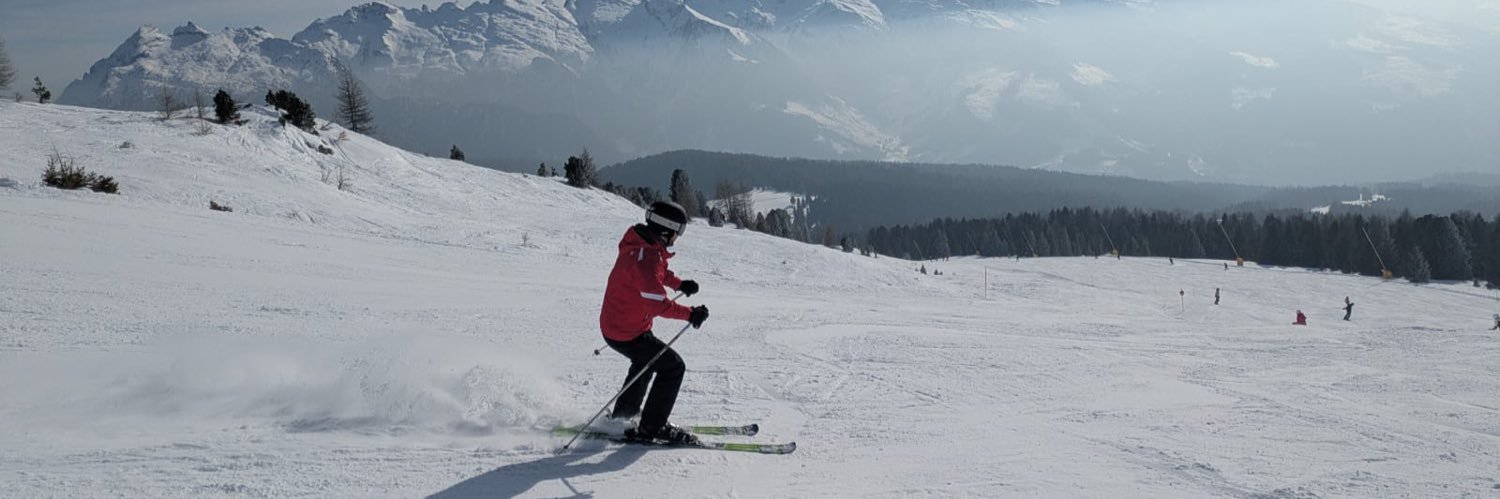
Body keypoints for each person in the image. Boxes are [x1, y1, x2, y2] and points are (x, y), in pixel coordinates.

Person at [599, 200, 710, 444]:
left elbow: (658, 273)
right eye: (677, 232)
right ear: (665, 229)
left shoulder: (644, 246)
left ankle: (624, 414)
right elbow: (659, 305)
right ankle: (652, 427)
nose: (677, 238)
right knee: (673, 367)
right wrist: (691, 314)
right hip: (626, 331)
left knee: (646, 362)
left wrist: (679, 284)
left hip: (621, 325)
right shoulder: (646, 258)